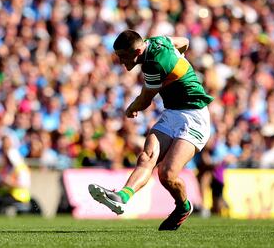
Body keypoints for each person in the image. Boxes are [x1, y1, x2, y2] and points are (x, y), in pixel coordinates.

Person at [88, 30, 213, 231]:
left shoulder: (153, 64)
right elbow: (184, 42)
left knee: (167, 174)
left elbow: (145, 100)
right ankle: (122, 196)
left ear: (138, 51)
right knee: (146, 157)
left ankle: (184, 207)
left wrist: (131, 108)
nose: (121, 61)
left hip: (195, 116)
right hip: (173, 112)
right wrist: (180, 62)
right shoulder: (158, 41)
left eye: (124, 56)